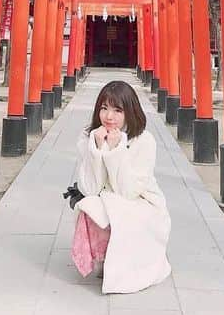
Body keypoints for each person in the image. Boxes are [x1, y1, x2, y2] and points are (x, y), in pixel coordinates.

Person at [65, 80, 171, 294]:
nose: (109, 116)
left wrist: (116, 151)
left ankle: (127, 262)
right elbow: (90, 188)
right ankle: (102, 258)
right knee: (90, 206)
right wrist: (96, 149)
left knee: (120, 213)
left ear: (129, 111)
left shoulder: (144, 141)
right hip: (107, 198)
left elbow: (129, 191)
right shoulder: (90, 136)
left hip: (140, 201)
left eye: (117, 110)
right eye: (104, 108)